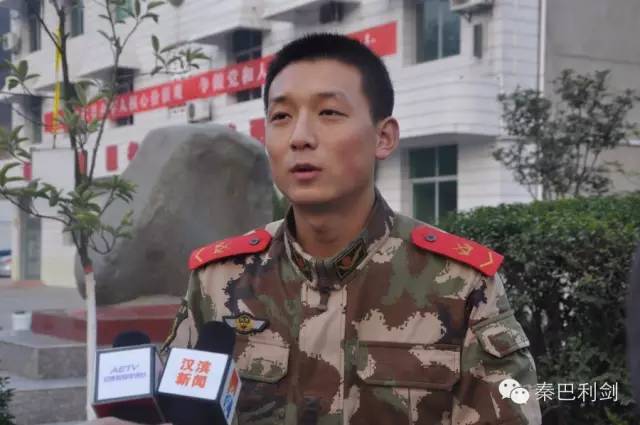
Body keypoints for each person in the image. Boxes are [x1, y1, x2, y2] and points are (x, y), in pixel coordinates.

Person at [94, 33, 542, 424]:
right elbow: (178, 410)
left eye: (329, 112)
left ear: (383, 137)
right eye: (281, 117)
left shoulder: (461, 285)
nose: (300, 137)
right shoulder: (218, 279)